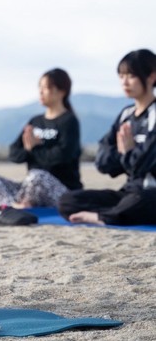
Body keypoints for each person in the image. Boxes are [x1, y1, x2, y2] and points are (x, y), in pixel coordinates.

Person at [59, 49, 156, 226]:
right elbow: (102, 161)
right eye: (121, 76)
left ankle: (103, 217)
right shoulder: (126, 114)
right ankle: (113, 214)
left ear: (151, 76)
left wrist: (127, 152)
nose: (124, 82)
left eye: (131, 76)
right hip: (129, 192)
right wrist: (128, 153)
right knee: (67, 200)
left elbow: (143, 165)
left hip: (150, 193)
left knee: (140, 200)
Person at [0, 68, 82, 208]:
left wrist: (35, 148)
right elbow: (14, 153)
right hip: (31, 190)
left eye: (46, 88)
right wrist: (28, 150)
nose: (41, 92)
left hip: (62, 192)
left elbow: (62, 156)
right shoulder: (35, 121)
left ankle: (23, 204)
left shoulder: (69, 121)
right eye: (40, 87)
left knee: (37, 176)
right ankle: (13, 206)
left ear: (62, 91)